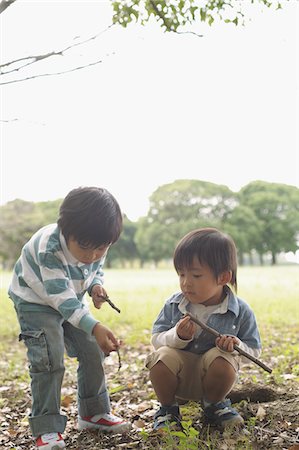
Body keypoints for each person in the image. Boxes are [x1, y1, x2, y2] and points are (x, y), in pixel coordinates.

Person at [8, 186, 131, 450]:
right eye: (85, 248)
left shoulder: (97, 242)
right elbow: (61, 299)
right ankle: (47, 427)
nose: (92, 255)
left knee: (92, 349)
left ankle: (93, 413)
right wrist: (95, 325)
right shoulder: (49, 248)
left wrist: (95, 286)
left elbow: (93, 271)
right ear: (66, 230)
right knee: (49, 358)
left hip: (70, 300)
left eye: (101, 248)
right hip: (35, 302)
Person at [145, 227, 262, 431]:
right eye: (181, 274)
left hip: (214, 381)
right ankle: (168, 409)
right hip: (179, 377)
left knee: (222, 358)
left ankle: (214, 405)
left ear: (223, 277)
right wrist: (177, 336)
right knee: (161, 356)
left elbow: (254, 350)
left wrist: (236, 346)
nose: (186, 283)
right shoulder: (175, 304)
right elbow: (156, 339)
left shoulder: (240, 310)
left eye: (196, 275)